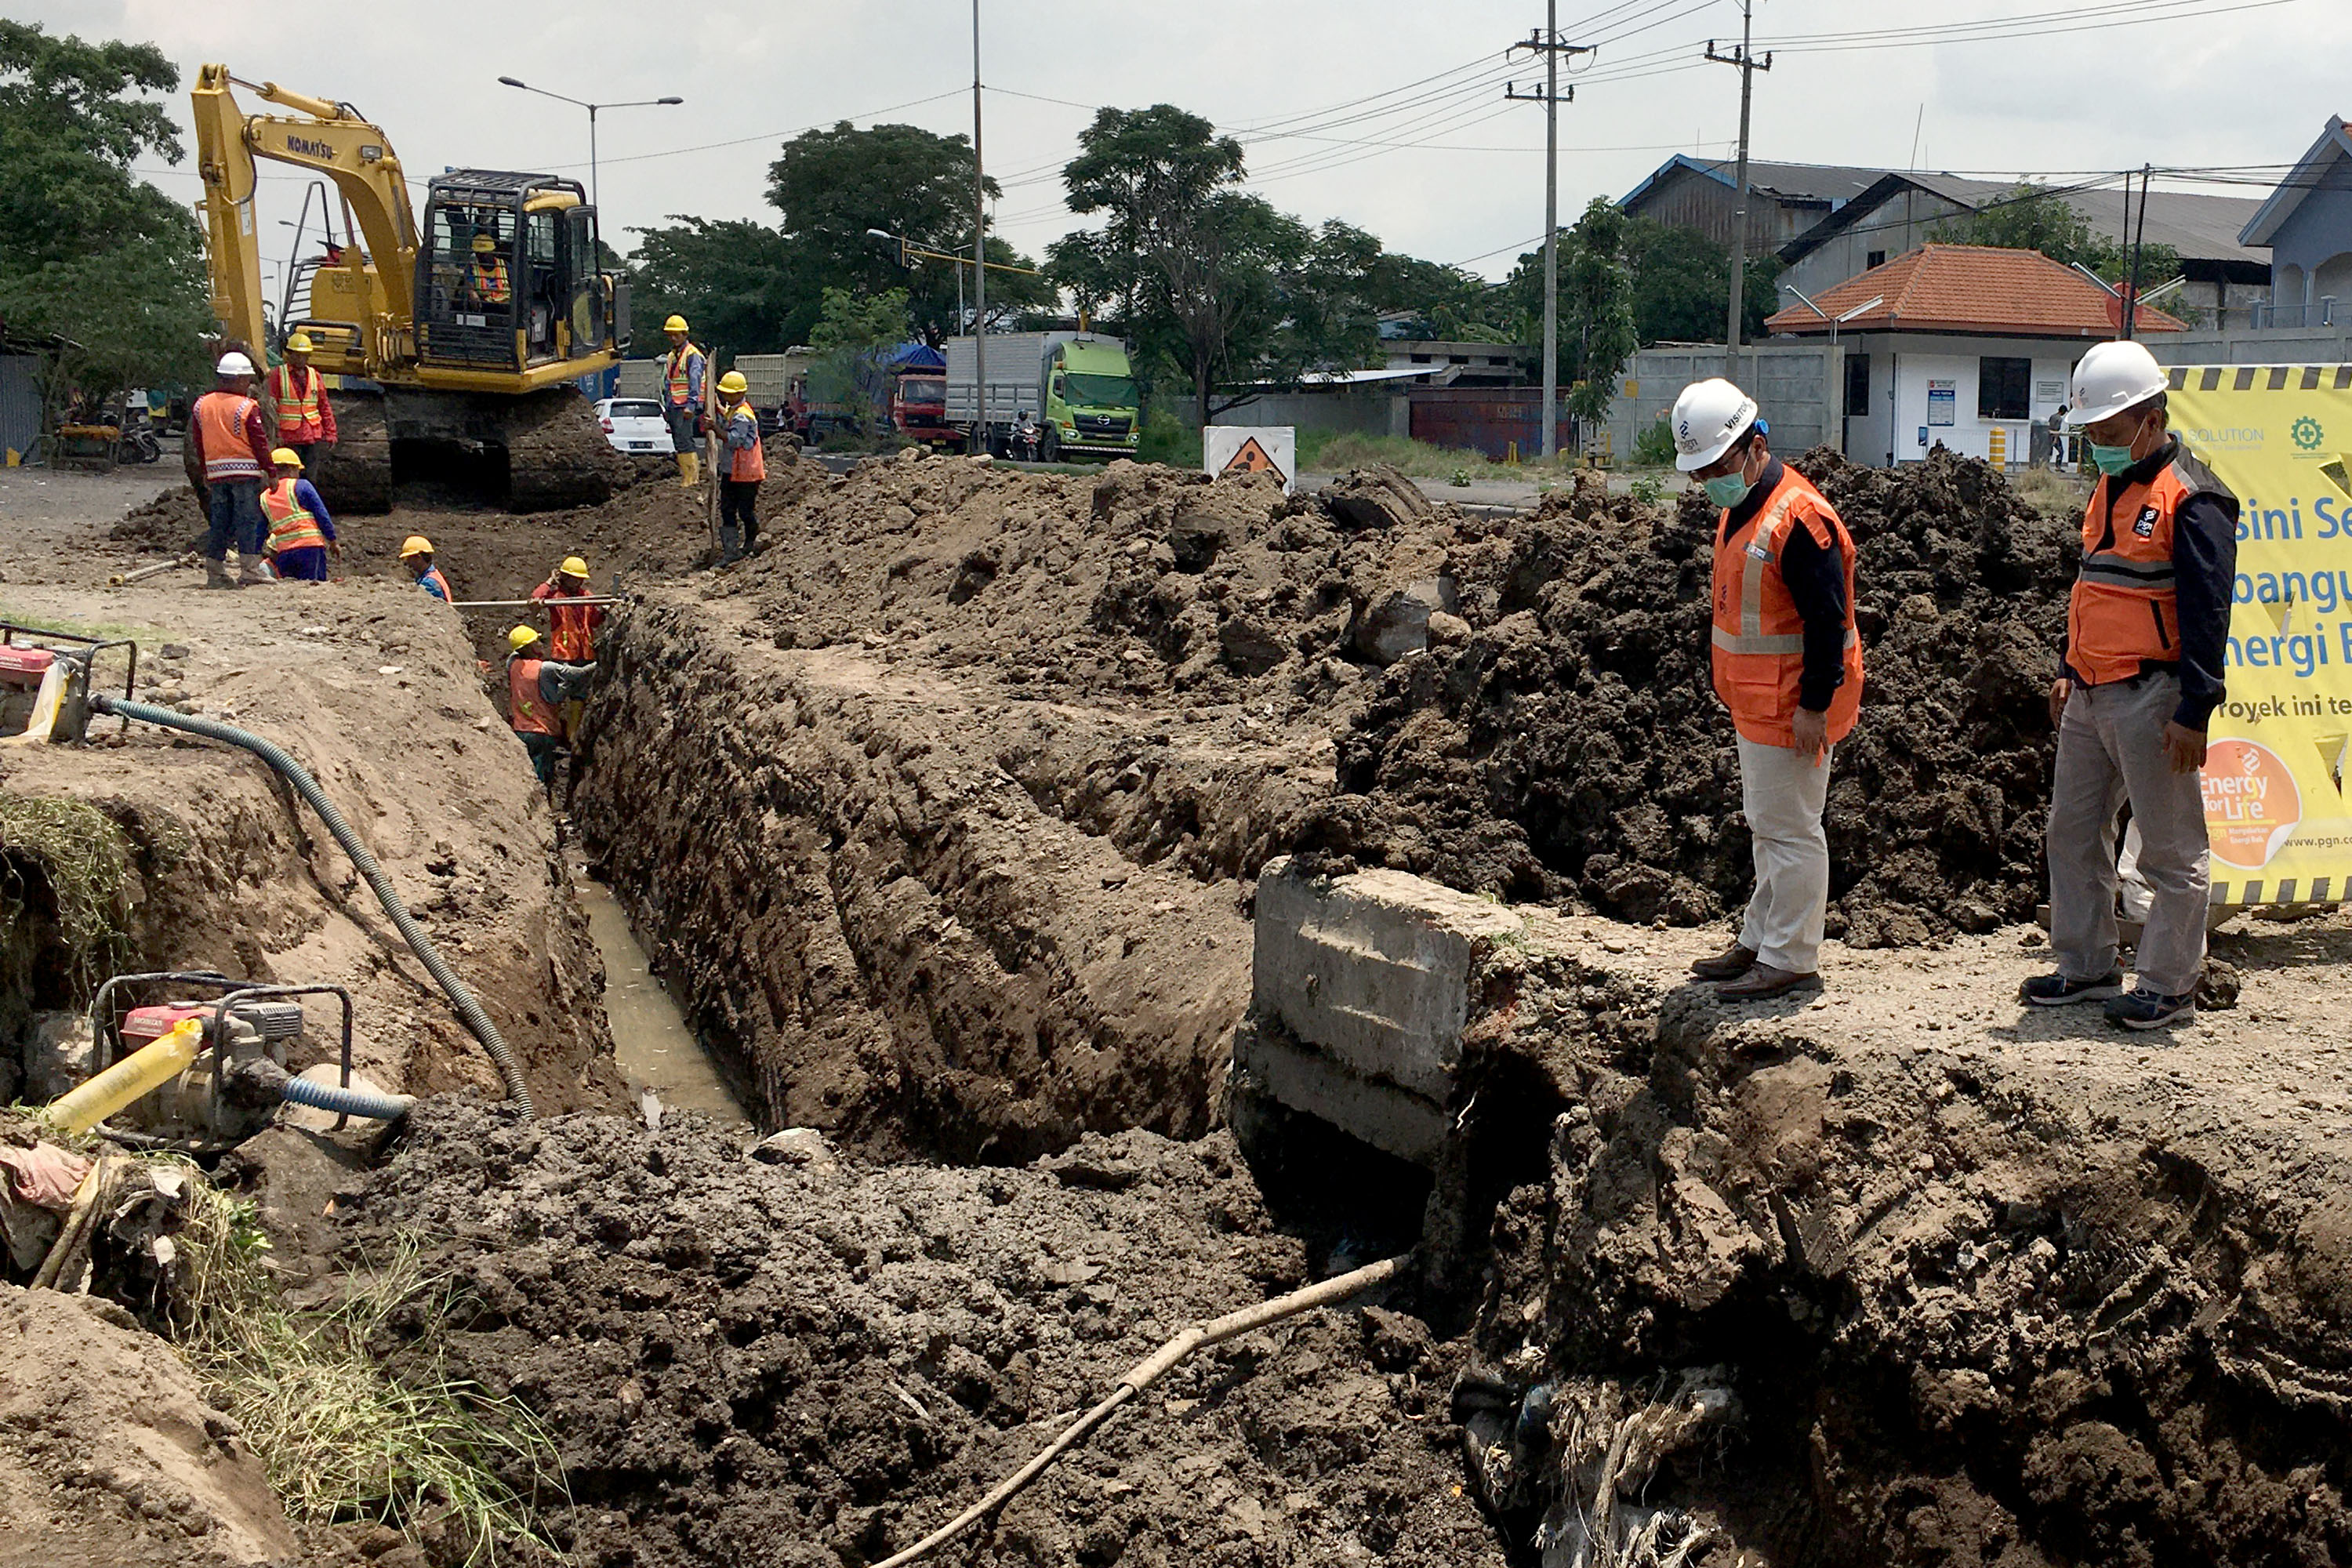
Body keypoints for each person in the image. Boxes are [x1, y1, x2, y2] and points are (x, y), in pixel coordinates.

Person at [2023, 339, 2238, 1029]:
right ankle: (2087, 963)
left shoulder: (2193, 499)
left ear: (2152, 419)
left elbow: (2208, 612)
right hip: (2090, 691)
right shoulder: (2110, 487)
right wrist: (2068, 667)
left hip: (2153, 695)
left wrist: (2196, 709)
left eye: (2109, 433)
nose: (2098, 446)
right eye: (2090, 433)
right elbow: (2096, 587)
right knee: (2072, 832)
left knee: (2172, 851)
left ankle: (2170, 984)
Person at [1675, 377, 1864, 1001]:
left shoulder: (1799, 519)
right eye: (1700, 473)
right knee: (1769, 827)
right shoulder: (1745, 504)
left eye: (1717, 468)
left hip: (1792, 707)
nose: (1709, 482)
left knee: (1792, 832)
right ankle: (1760, 939)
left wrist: (1813, 706)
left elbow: (1827, 623)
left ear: (1756, 445)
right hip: (1759, 702)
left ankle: (1790, 956)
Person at [189, 351, 278, 588]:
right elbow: (259, 443)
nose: (248, 384)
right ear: (237, 379)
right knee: (247, 521)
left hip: (217, 474)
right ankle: (249, 570)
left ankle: (215, 573)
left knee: (220, 523)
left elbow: (198, 441)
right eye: (247, 379)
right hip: (244, 474)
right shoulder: (246, 407)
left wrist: (205, 470)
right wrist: (271, 471)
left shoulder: (201, 405)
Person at [505, 625, 595, 808]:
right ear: (529, 647)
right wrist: (596, 663)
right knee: (541, 777)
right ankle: (540, 811)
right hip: (542, 732)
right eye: (536, 642)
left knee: (525, 775)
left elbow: (515, 652)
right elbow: (577, 674)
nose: (541, 644)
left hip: (520, 731)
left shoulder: (512, 665)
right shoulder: (545, 668)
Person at [263, 330, 337, 485]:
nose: (301, 359)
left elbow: (324, 406)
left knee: (310, 478)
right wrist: (275, 435)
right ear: (289, 354)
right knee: (289, 477)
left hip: (312, 436)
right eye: (297, 355)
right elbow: (270, 408)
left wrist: (331, 433)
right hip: (289, 437)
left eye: (304, 355)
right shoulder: (278, 375)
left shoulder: (315, 375)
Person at [259, 448, 339, 582]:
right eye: (297, 470)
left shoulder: (264, 497)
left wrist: (254, 555)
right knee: (314, 585)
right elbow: (321, 514)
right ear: (291, 469)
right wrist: (332, 541)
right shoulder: (302, 486)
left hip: (284, 552)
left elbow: (259, 530)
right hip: (310, 548)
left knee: (291, 585)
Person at [715, 370, 764, 563]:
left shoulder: (742, 416)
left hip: (746, 472)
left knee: (744, 510)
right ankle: (732, 551)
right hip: (734, 470)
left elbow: (734, 440)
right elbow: (728, 414)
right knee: (727, 509)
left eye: (729, 394)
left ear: (739, 393)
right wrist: (717, 407)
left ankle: (752, 542)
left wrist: (714, 429)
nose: (726, 397)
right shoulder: (735, 409)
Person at [659, 315, 706, 489]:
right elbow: (669, 383)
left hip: (685, 405)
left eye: (676, 335)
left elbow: (695, 382)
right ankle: (686, 476)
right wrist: (667, 406)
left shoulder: (692, 355)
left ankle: (692, 479)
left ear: (685, 334)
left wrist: (691, 405)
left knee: (685, 440)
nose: (673, 338)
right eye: (670, 335)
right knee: (679, 441)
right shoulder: (672, 356)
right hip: (675, 404)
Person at [530, 555, 605, 659]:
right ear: (565, 577)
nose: (578, 582)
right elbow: (535, 598)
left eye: (581, 579)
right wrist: (550, 582)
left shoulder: (586, 596)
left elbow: (594, 622)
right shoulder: (556, 597)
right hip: (563, 656)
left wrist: (603, 612)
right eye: (575, 579)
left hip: (585, 655)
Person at [466, 233, 510, 309]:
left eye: (484, 254)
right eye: (478, 254)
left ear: (492, 252)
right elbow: (470, 285)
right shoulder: (472, 268)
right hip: (484, 305)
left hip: (505, 305)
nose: (481, 257)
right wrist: (472, 293)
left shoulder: (505, 265)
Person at [401, 535, 452, 601]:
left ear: (418, 558)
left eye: (409, 558)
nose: (408, 562)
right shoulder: (428, 576)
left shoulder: (429, 583)